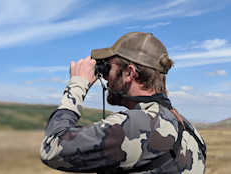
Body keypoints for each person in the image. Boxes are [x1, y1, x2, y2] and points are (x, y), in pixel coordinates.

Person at [40, 32, 206, 173]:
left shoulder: (134, 126)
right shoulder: (189, 130)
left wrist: (78, 84)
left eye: (108, 68)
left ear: (129, 73)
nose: (104, 77)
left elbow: (51, 148)